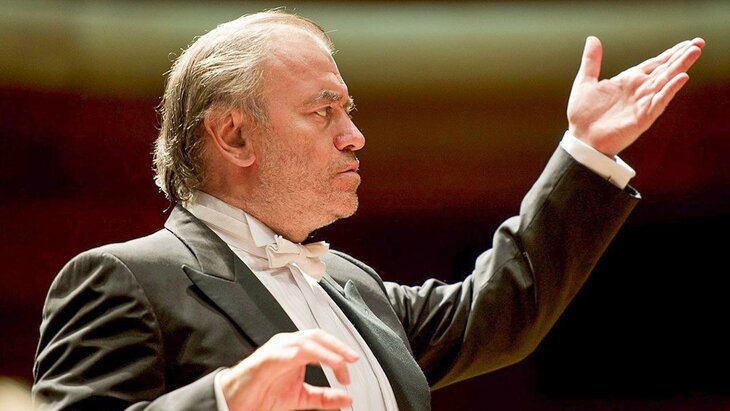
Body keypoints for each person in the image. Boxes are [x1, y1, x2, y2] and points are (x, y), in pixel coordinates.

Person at [32, 10, 704, 411]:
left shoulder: (354, 284)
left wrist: (587, 151)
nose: (354, 136)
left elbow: (504, 305)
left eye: (348, 110)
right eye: (323, 110)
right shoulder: (123, 279)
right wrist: (227, 400)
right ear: (233, 135)